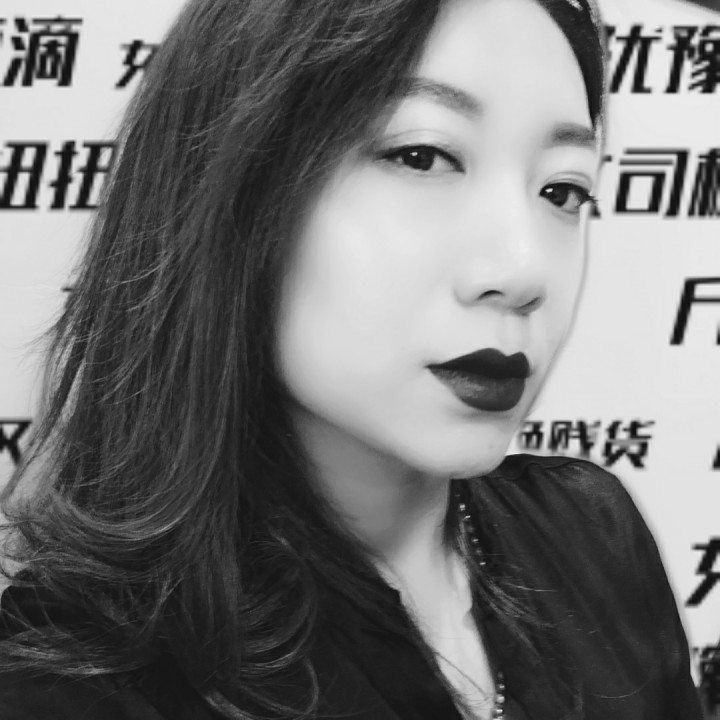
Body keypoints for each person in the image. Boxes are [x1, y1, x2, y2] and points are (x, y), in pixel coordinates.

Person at [0, 0, 702, 718]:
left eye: (563, 190)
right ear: (230, 189)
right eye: (421, 156)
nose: (522, 271)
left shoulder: (591, 534)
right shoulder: (76, 684)